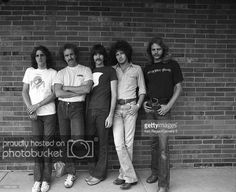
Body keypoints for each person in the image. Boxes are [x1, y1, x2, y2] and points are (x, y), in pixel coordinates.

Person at [143, 37, 183, 192]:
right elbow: (145, 89)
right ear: (150, 51)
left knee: (163, 147)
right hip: (150, 110)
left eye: (158, 49)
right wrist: (145, 103)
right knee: (153, 143)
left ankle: (163, 184)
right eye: (153, 49)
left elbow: (178, 88)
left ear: (163, 50)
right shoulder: (147, 68)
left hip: (164, 109)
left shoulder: (172, 65)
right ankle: (155, 172)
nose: (156, 52)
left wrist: (168, 106)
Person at [54, 43, 93, 188]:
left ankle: (67, 164)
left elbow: (87, 89)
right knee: (65, 141)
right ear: (64, 57)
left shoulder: (85, 70)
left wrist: (67, 88)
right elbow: (58, 93)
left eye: (71, 54)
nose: (69, 57)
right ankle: (71, 172)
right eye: (66, 55)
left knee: (77, 139)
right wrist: (78, 90)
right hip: (62, 107)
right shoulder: (61, 73)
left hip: (77, 108)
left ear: (75, 54)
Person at [110, 40, 146, 190]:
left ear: (127, 53)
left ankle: (123, 175)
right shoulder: (113, 70)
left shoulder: (136, 69)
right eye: (117, 54)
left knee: (128, 143)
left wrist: (137, 106)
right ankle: (128, 176)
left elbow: (143, 90)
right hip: (117, 109)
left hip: (131, 108)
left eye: (122, 53)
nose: (119, 56)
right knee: (119, 144)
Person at [22, 45, 57, 192]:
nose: (40, 58)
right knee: (37, 146)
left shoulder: (53, 73)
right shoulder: (30, 71)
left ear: (46, 57)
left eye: (42, 55)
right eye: (37, 55)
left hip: (49, 114)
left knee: (47, 146)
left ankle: (46, 180)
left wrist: (37, 105)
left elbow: (54, 94)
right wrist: (30, 108)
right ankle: (37, 179)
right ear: (34, 58)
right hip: (35, 115)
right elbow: (24, 91)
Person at [85, 44, 117, 185]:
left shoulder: (110, 70)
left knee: (103, 143)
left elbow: (114, 95)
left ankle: (100, 174)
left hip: (104, 111)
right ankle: (93, 171)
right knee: (90, 143)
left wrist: (111, 115)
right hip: (90, 111)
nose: (98, 57)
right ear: (93, 57)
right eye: (95, 54)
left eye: (100, 54)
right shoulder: (89, 71)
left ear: (104, 56)